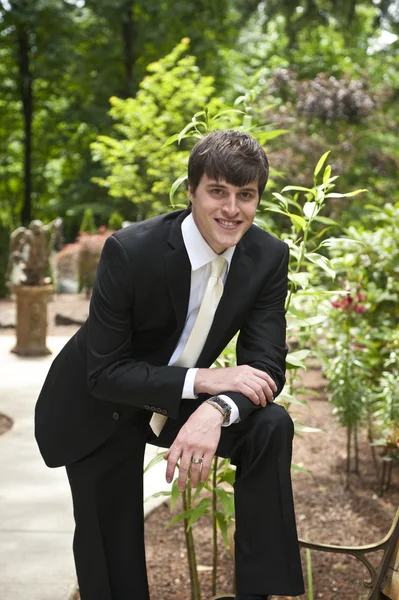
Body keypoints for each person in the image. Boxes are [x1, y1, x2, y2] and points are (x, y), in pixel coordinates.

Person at [35, 130, 305, 600]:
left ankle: (260, 593)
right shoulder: (130, 251)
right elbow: (104, 373)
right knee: (114, 561)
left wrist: (216, 408)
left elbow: (265, 365)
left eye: (246, 195)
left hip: (179, 397)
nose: (232, 209)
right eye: (217, 191)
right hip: (100, 400)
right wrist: (205, 379)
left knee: (270, 425)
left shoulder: (267, 256)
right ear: (192, 192)